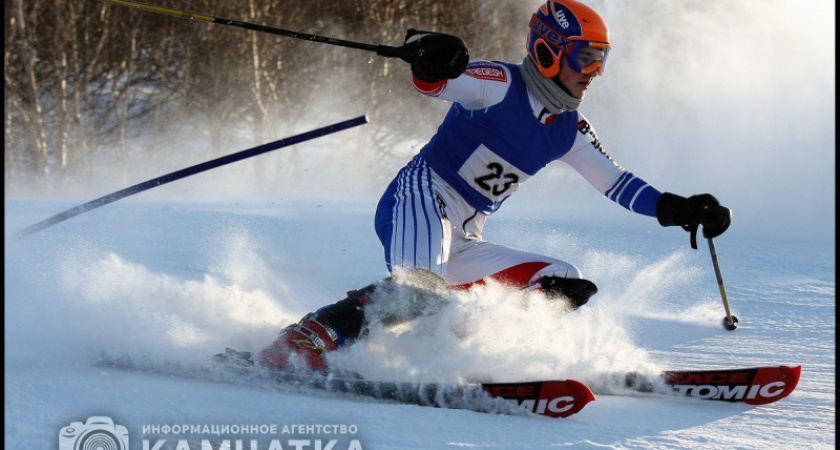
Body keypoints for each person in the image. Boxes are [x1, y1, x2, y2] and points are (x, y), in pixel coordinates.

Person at [217, 0, 732, 372]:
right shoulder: (500, 84)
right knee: (418, 290)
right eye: (586, 58)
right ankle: (303, 341)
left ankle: (470, 355)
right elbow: (440, 83)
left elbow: (618, 185)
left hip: (464, 234)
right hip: (420, 197)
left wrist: (681, 208)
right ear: (549, 52)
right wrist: (432, 61)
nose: (595, 73)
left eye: (602, 60)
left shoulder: (569, 130)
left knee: (562, 281)